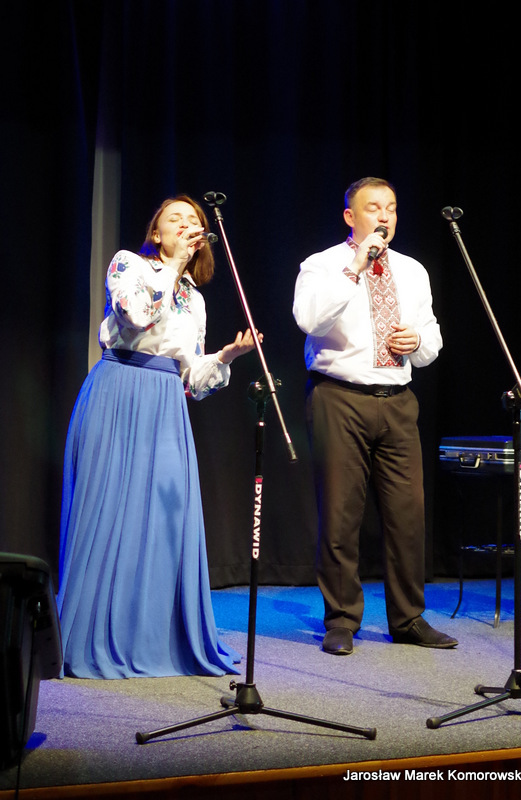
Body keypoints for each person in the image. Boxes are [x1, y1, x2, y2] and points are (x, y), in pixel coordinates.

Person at [57, 194, 261, 679]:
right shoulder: (129, 264)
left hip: (166, 404)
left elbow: (193, 381)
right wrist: (171, 268)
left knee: (167, 519)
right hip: (118, 390)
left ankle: (154, 636)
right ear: (157, 233)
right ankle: (89, 634)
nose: (187, 225)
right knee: (108, 512)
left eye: (194, 220)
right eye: (176, 219)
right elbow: (136, 315)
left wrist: (226, 357)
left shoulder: (197, 299)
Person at [293, 177, 457, 655]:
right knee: (340, 513)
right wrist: (356, 267)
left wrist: (418, 342)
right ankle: (342, 619)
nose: (384, 216)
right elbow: (309, 319)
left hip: (398, 399)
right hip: (339, 396)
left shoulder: (412, 270)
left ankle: (408, 618)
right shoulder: (323, 264)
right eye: (373, 208)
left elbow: (431, 337)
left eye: (391, 208)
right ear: (350, 216)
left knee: (408, 515)